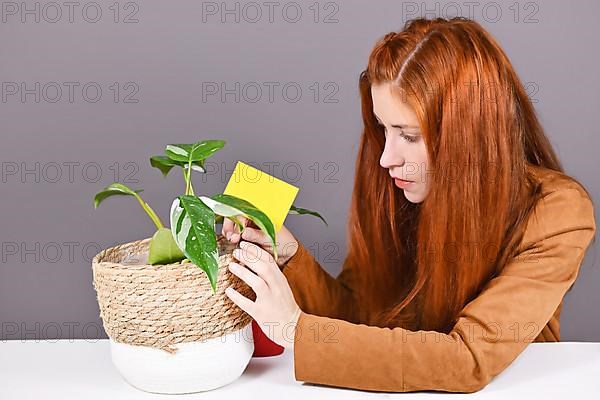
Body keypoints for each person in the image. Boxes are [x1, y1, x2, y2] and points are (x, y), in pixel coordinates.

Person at [222, 16, 597, 393]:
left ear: (471, 135)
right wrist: (288, 254)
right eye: (383, 128)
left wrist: (293, 330)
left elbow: (467, 359)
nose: (387, 158)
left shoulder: (558, 213)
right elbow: (359, 318)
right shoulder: (397, 190)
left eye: (410, 135)